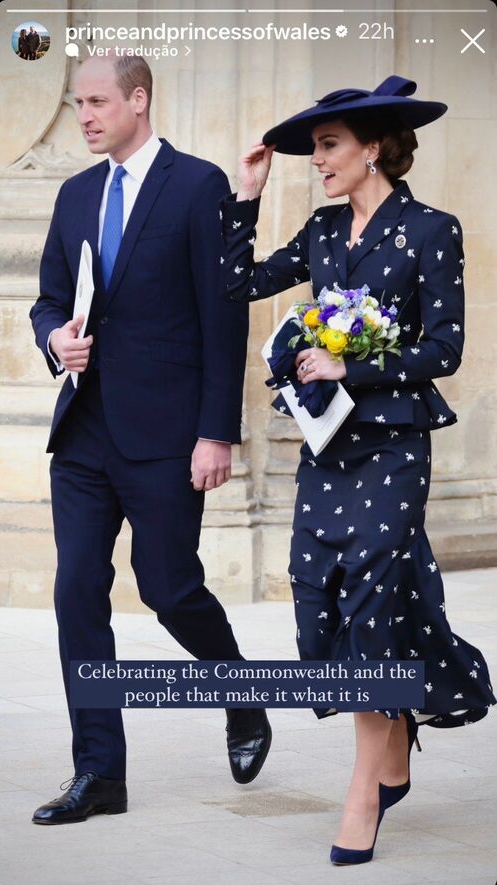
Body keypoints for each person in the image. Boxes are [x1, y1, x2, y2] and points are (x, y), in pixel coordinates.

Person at [221, 75, 495, 865]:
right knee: (320, 603)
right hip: (328, 449)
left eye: (328, 146)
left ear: (374, 147)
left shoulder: (432, 230)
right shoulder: (321, 229)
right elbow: (239, 283)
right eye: (312, 150)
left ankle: (364, 790)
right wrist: (249, 192)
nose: (317, 160)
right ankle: (400, 720)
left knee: (375, 603)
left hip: (396, 444)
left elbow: (446, 349)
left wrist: (352, 365)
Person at [29, 54, 271, 826]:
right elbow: (46, 302)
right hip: (85, 431)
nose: (86, 115)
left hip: (168, 433)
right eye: (78, 104)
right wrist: (54, 341)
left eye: (98, 101)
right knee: (76, 592)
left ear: (139, 100)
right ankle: (99, 770)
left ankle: (241, 691)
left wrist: (216, 434)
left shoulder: (198, 185)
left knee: (168, 588)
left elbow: (222, 315)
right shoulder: (73, 196)